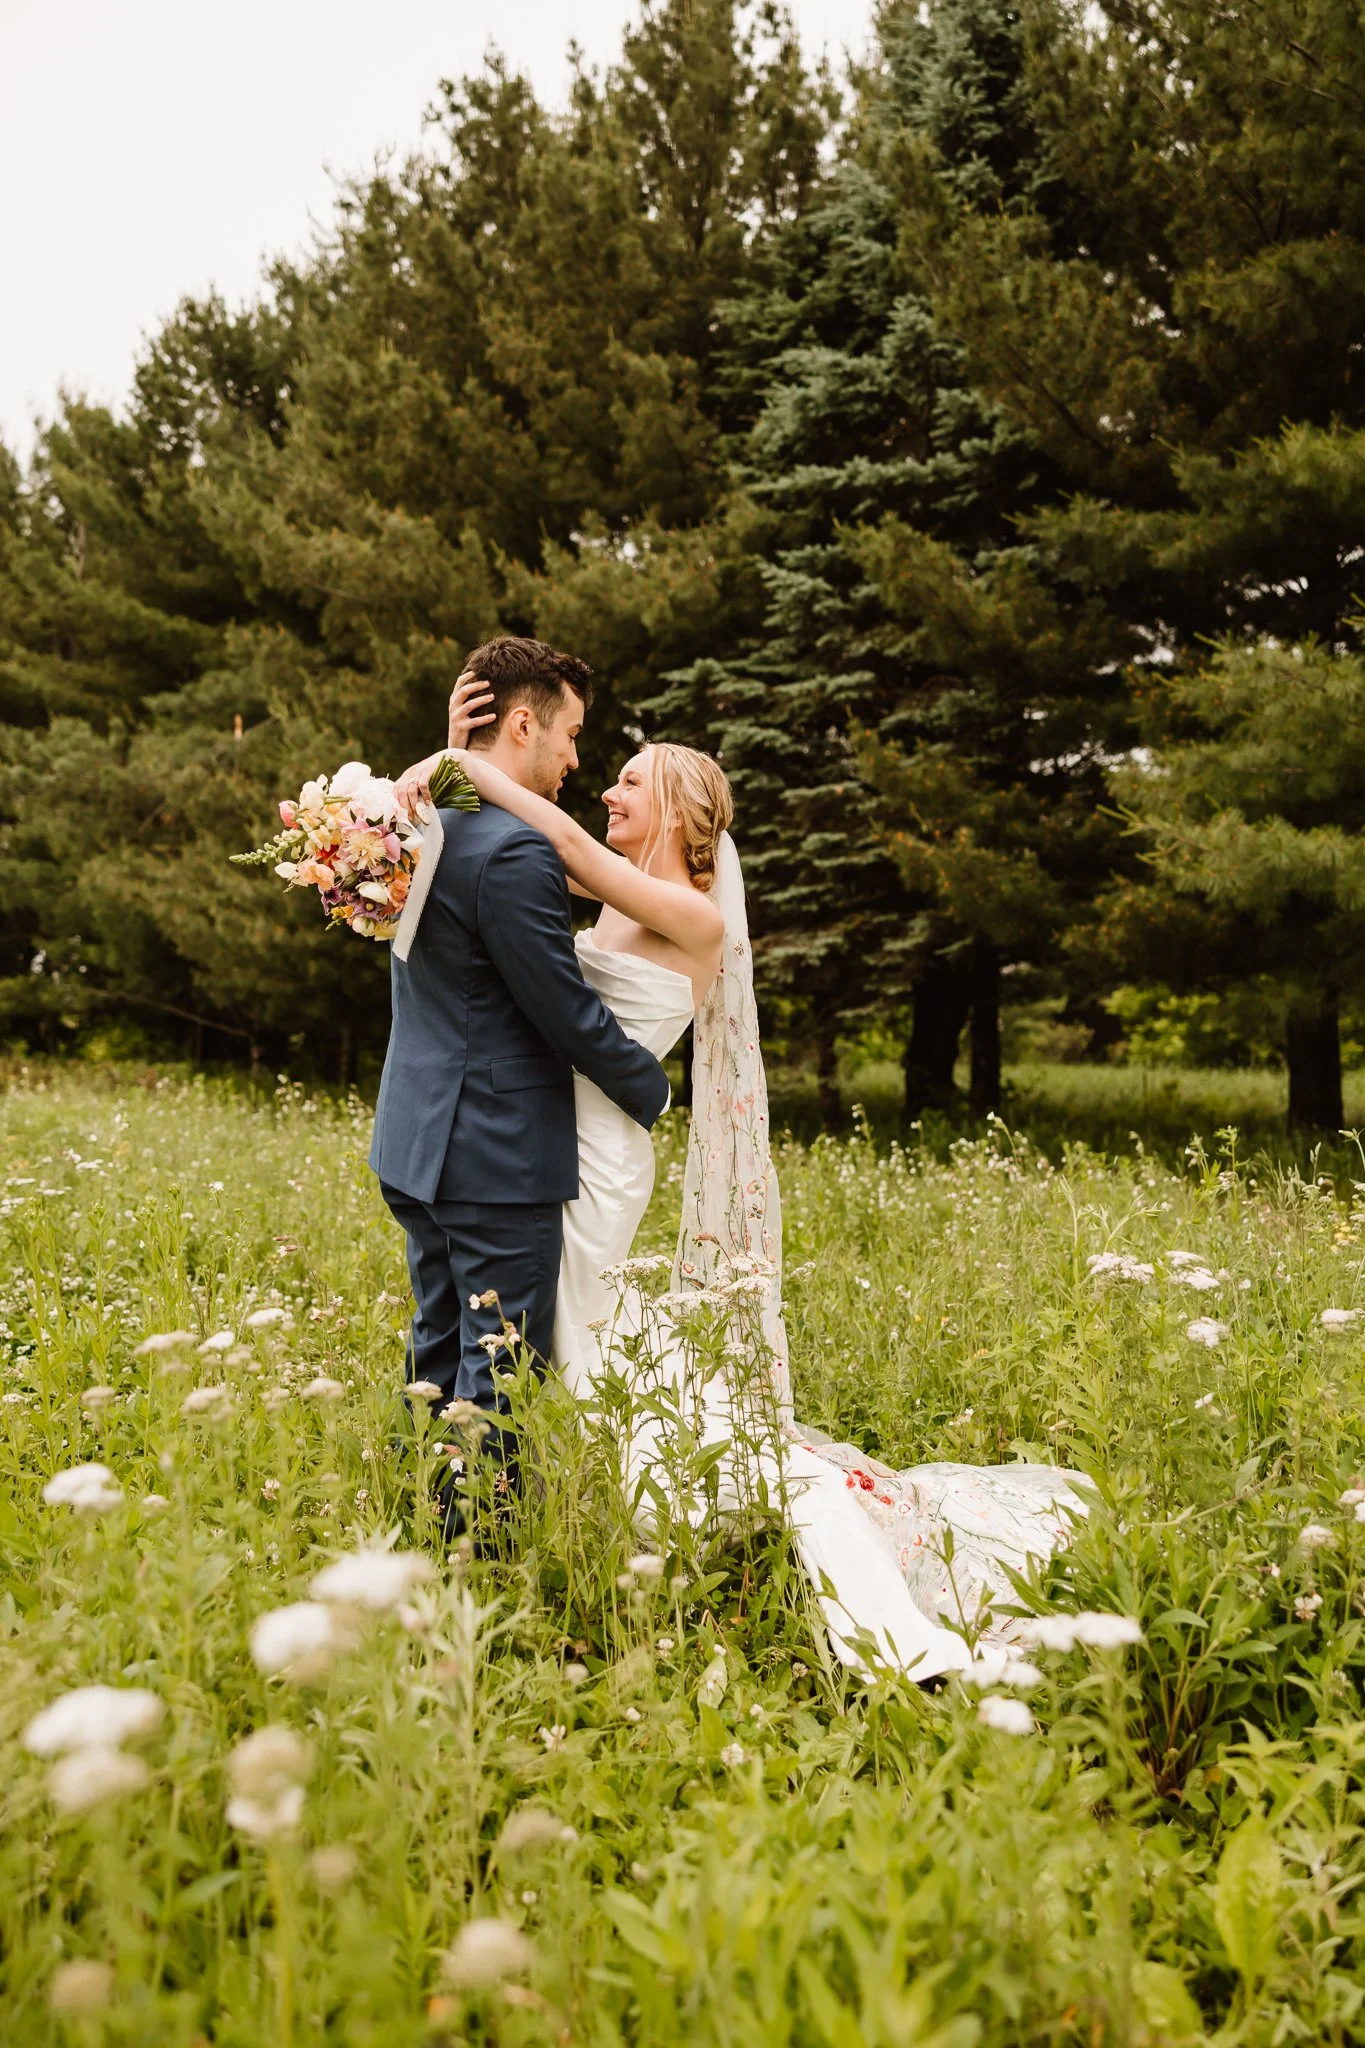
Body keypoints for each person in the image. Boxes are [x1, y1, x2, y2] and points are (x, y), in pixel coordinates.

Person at [395, 677, 1085, 1682]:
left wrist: (466, 769)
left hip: (593, 1153)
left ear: (675, 804)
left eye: (629, 780)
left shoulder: (687, 914)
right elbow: (494, 865)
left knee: (560, 1333)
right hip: (549, 1133)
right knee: (562, 1337)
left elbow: (571, 852)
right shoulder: (619, 888)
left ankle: (686, 1515)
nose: (606, 789)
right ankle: (555, 1519)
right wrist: (451, 763)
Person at [370, 637, 670, 1508]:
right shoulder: (513, 849)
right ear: (524, 722)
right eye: (571, 734)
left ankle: (422, 1519)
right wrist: (649, 1089)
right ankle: (483, 1560)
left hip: (416, 1140)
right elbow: (563, 1009)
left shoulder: (424, 825)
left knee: (435, 1352)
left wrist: (451, 756)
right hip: (492, 1156)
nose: (578, 758)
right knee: (499, 1369)